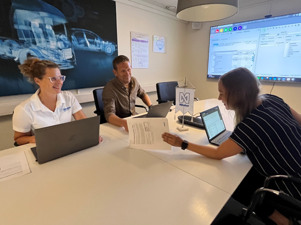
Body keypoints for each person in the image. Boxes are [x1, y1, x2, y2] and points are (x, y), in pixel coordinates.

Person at [162, 67, 301, 225]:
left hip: (293, 188)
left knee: (236, 182)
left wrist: (183, 143)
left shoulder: (251, 124)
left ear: (238, 94)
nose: (219, 97)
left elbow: (218, 153)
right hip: (296, 169)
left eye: (222, 93)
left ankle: (282, 220)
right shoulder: (272, 99)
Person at [13, 58, 86, 146]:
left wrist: (90, 135)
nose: (60, 82)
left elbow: (84, 123)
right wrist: (34, 139)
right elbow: (18, 139)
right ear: (37, 81)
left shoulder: (68, 97)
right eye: (53, 79)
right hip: (47, 149)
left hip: (69, 144)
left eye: (61, 78)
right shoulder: (24, 109)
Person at [102, 55, 152, 131]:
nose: (127, 73)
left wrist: (151, 107)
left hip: (133, 118)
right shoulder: (109, 88)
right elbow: (109, 115)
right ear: (115, 72)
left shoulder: (134, 81)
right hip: (119, 124)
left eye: (128, 69)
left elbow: (142, 94)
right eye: (123, 71)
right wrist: (124, 123)